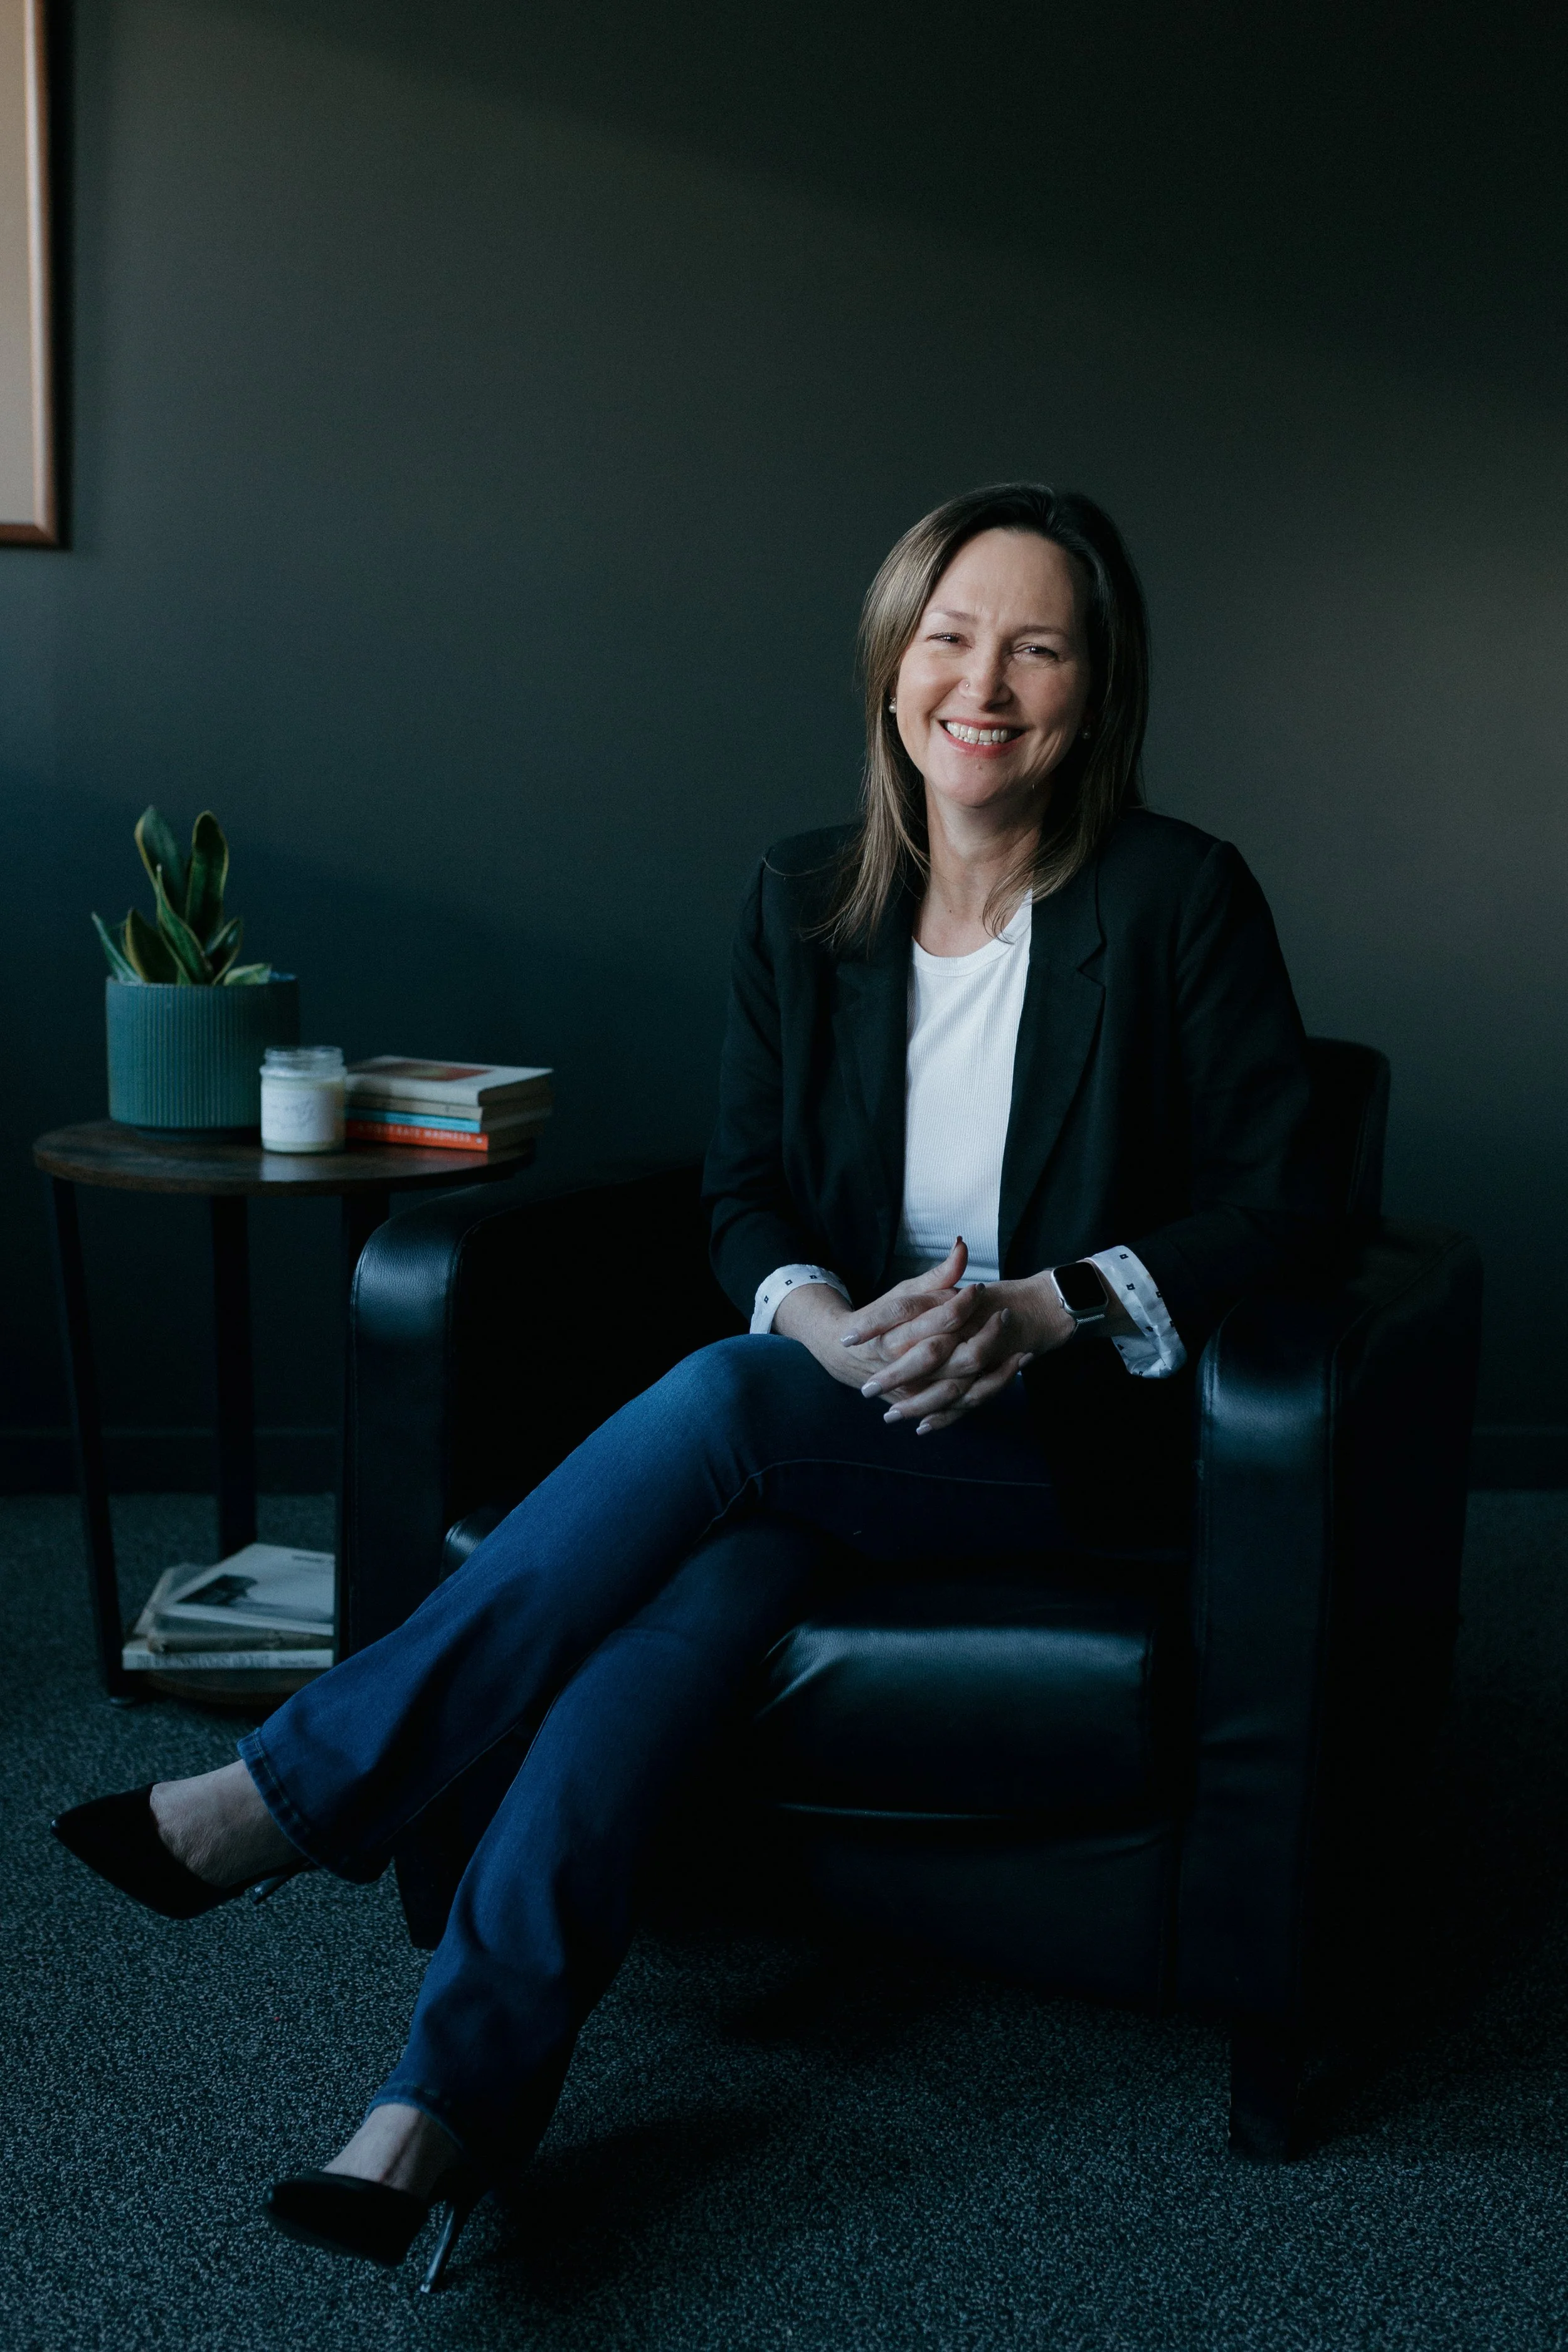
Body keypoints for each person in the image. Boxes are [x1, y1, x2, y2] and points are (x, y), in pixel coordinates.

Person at [51, 482, 1325, 2288]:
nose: (983, 685)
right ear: (890, 665)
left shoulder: (1180, 897)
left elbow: (1286, 1201)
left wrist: (1045, 1309)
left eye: (1037, 649)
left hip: (1057, 1447)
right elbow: (742, 1197)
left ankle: (301, 1785)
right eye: (949, 638)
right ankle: (437, 2109)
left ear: (1094, 690)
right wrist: (823, 1322)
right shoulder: (804, 896)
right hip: (837, 1422)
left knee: (727, 1404)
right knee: (690, 1600)